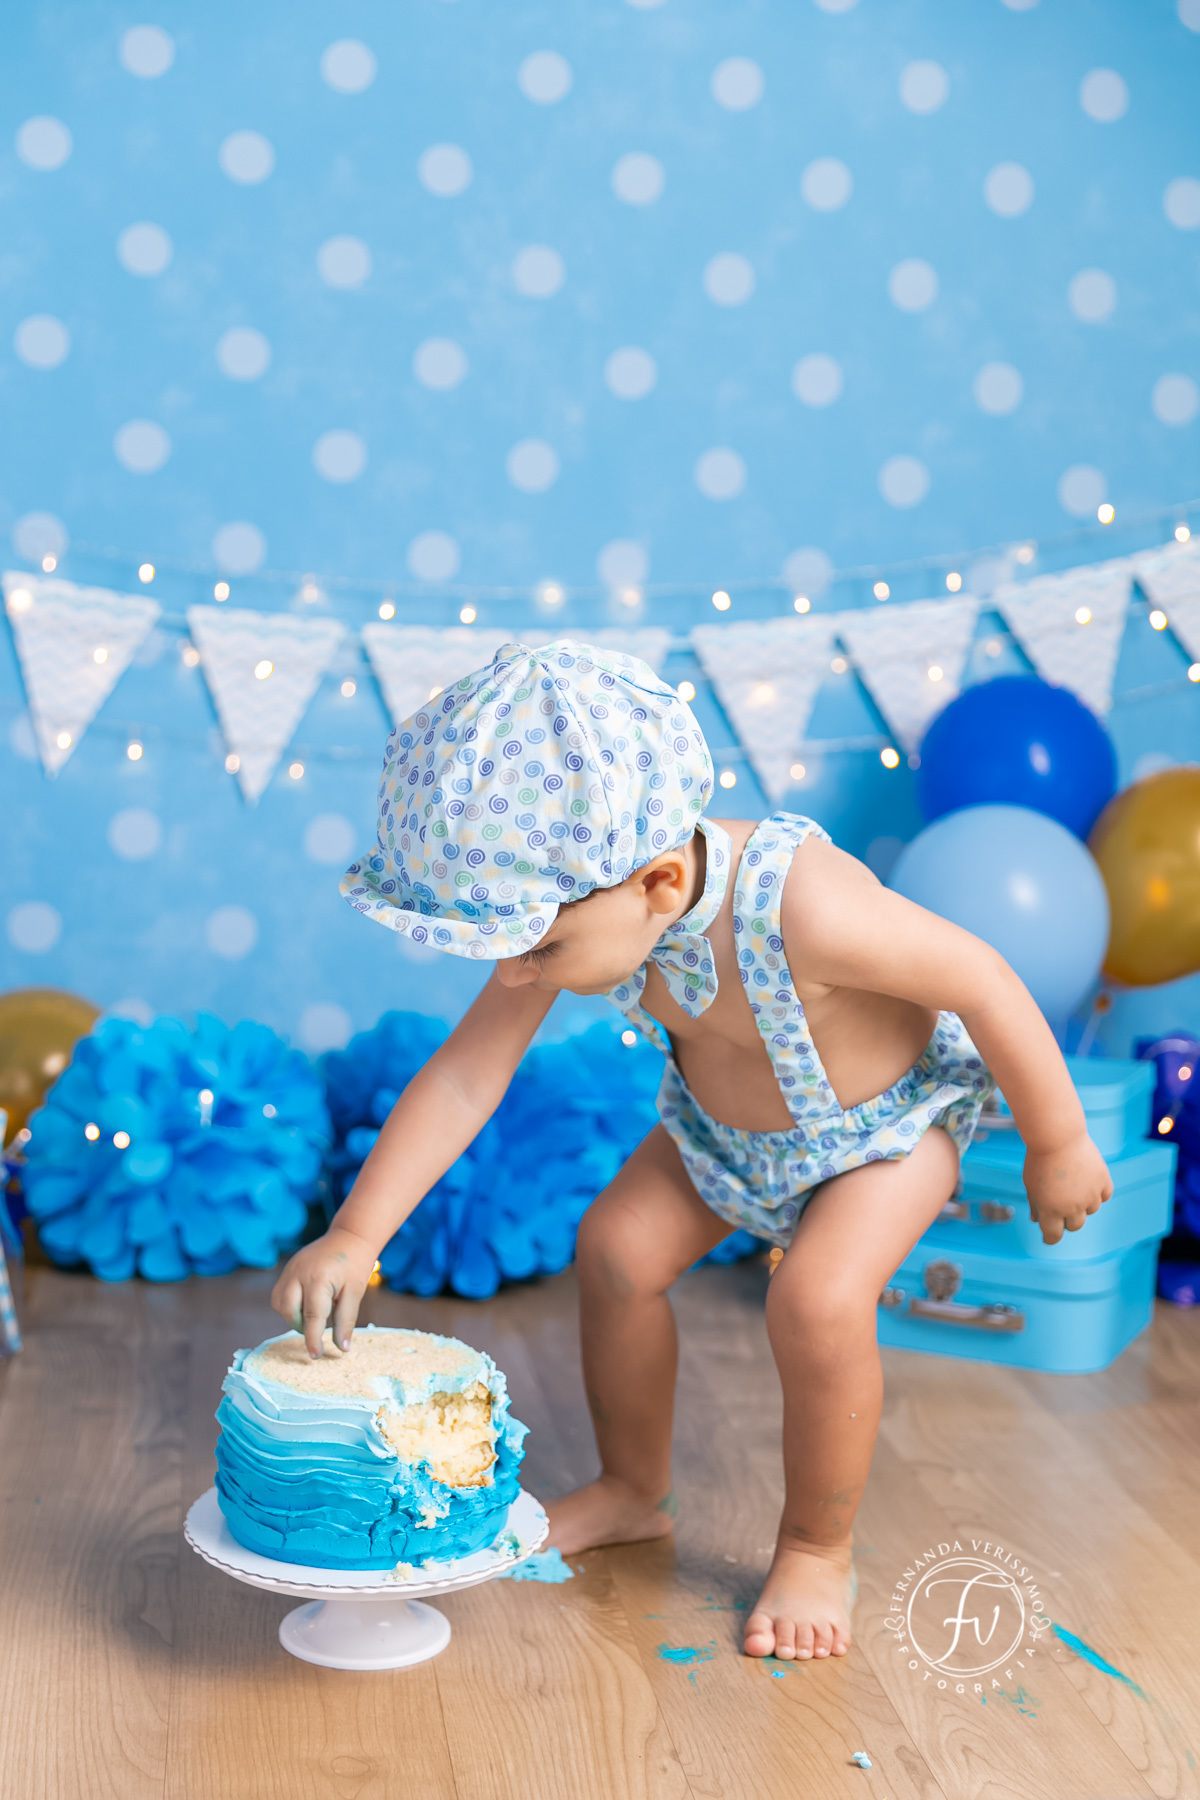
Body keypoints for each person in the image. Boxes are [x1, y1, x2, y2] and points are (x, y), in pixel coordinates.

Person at [272, 639, 1112, 1663]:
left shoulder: (803, 903)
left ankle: (817, 1546)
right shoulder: (597, 906)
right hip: (723, 1141)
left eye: (536, 946)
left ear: (662, 884)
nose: (518, 971)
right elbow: (463, 1075)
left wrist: (1058, 1140)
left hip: (883, 1136)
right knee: (616, 1249)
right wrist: (356, 1233)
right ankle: (635, 1489)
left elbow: (981, 977)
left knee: (816, 1303)